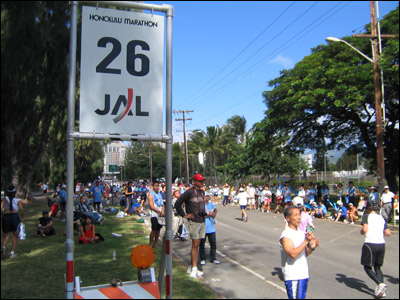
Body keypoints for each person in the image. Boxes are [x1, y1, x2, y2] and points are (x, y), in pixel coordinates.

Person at [279, 206, 319, 299]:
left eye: (299, 215)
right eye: (295, 215)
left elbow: (304, 253)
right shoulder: (286, 235)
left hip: (303, 274)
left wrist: (312, 247)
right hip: (293, 276)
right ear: (288, 218)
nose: (299, 217)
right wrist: (305, 241)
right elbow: (293, 254)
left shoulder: (301, 233)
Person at [175, 174, 207, 278]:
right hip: (193, 221)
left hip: (202, 220)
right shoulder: (189, 192)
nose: (202, 183)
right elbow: (178, 203)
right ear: (195, 182)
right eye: (200, 181)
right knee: (195, 243)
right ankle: (194, 267)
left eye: (202, 181)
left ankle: (193, 265)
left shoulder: (202, 192)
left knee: (199, 244)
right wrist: (184, 215)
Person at [360, 204, 391, 298]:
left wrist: (362, 232)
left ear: (368, 209)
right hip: (381, 243)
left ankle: (380, 284)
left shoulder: (366, 216)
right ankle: (381, 290)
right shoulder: (381, 218)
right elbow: (388, 233)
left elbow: (364, 229)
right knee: (377, 267)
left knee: (367, 266)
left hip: (370, 243)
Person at [1, 185, 25, 259]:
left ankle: (3, 246)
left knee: (6, 235)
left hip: (6, 217)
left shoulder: (5, 199)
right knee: (15, 235)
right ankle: (12, 253)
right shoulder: (17, 199)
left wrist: (3, 214)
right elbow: (21, 209)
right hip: (14, 217)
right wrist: (22, 217)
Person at [199, 193, 220, 265]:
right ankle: (203, 258)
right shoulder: (200, 206)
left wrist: (213, 214)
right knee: (202, 244)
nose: (206, 197)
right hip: (203, 227)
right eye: (205, 196)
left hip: (211, 228)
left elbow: (214, 214)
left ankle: (213, 258)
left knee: (213, 244)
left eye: (207, 196)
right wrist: (208, 215)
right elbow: (199, 216)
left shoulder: (212, 205)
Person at [148, 181, 165, 248]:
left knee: (158, 230)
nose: (157, 187)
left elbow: (162, 203)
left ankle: (156, 243)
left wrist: (163, 211)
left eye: (158, 185)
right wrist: (159, 211)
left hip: (160, 214)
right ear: (153, 186)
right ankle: (150, 244)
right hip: (154, 214)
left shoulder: (159, 194)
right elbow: (151, 206)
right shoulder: (151, 195)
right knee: (154, 229)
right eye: (155, 185)